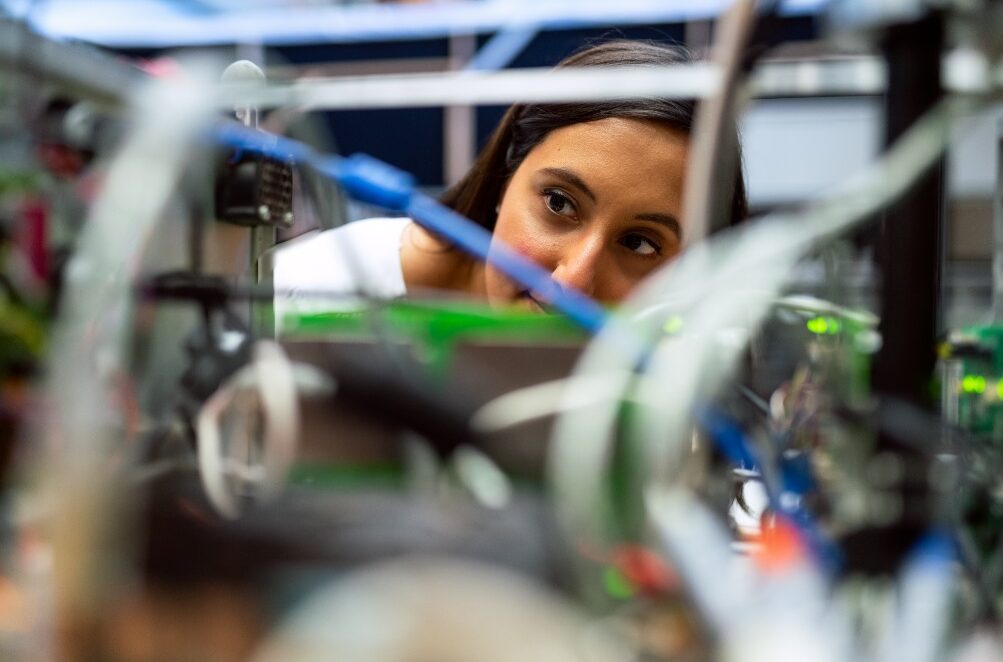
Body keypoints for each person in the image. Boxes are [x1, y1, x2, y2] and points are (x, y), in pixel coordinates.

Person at [274, 39, 747, 313]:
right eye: (559, 204)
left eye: (639, 242)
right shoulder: (308, 296)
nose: (572, 280)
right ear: (505, 177)